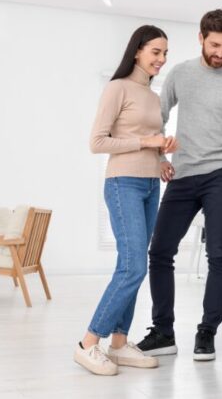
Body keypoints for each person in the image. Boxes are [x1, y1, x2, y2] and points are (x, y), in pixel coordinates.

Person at [137, 9, 222, 361]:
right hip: (182, 174)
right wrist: (161, 160)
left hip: (221, 173)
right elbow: (157, 119)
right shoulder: (180, 74)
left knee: (217, 253)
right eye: (215, 44)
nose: (221, 53)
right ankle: (164, 331)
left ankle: (207, 331)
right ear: (200, 38)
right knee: (160, 251)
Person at [74, 25, 178, 376]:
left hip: (151, 186)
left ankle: (119, 344)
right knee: (134, 266)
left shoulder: (153, 96)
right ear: (137, 51)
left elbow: (150, 139)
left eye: (165, 53)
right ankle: (89, 343)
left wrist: (162, 159)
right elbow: (97, 142)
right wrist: (147, 144)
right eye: (155, 52)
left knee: (133, 265)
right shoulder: (117, 88)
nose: (161, 60)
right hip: (123, 184)